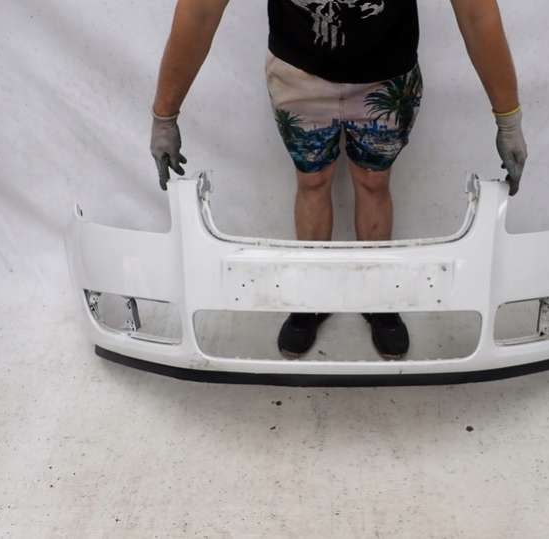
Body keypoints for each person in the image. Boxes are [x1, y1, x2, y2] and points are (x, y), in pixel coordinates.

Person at [150, 0, 528, 360]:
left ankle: (377, 297)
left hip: (387, 76)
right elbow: (201, 10)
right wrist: (165, 115)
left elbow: (475, 12)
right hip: (299, 74)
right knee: (312, 181)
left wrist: (507, 117)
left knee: (373, 182)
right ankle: (312, 296)